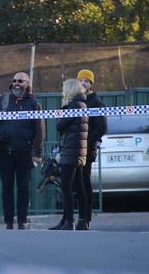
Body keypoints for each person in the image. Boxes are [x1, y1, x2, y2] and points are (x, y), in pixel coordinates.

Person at [0, 72, 44, 230]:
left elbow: (39, 130)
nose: (16, 83)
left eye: (20, 81)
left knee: (23, 187)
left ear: (28, 84)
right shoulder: (3, 99)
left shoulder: (34, 103)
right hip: (5, 151)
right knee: (7, 187)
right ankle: (8, 222)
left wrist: (37, 154)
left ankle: (22, 221)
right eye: (14, 81)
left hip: (24, 152)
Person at [50, 79, 88, 230]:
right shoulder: (82, 104)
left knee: (66, 187)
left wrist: (63, 108)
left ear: (69, 91)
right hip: (78, 150)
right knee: (79, 187)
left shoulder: (73, 106)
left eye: (64, 89)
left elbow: (60, 125)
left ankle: (69, 222)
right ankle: (82, 221)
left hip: (71, 151)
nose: (62, 92)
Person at [76, 69, 107, 230]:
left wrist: (86, 141)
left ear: (91, 84)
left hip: (87, 149)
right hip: (75, 148)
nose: (83, 83)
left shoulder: (96, 102)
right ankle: (80, 216)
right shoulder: (75, 101)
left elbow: (102, 127)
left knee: (84, 181)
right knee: (77, 182)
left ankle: (85, 218)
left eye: (86, 81)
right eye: (80, 80)